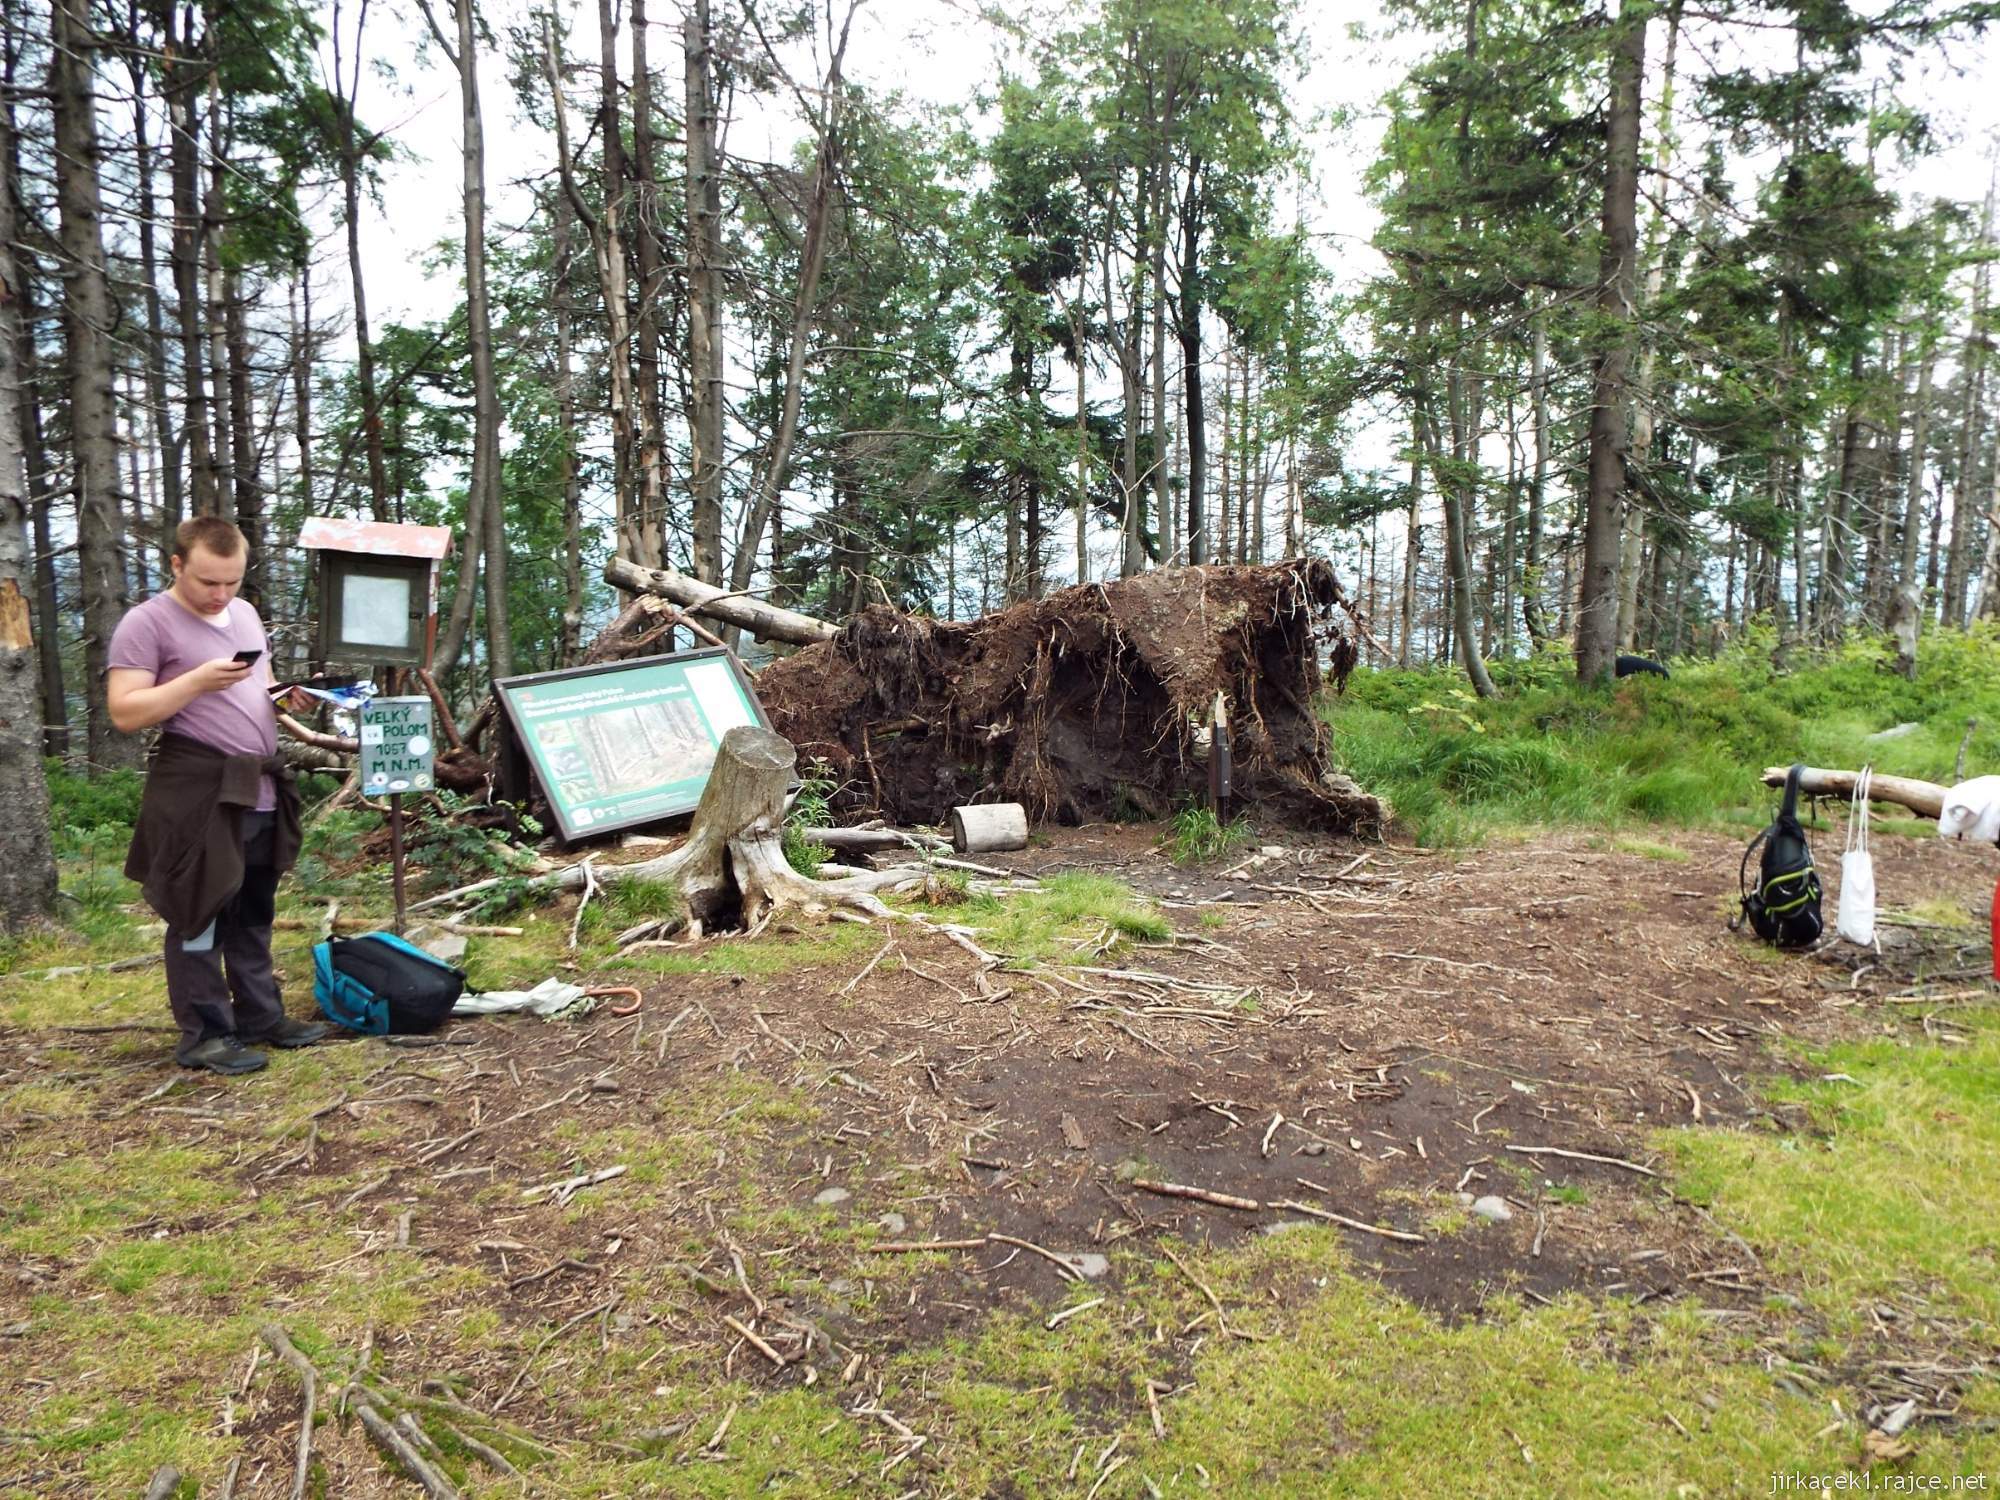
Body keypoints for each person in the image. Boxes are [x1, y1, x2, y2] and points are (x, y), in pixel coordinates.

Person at [108, 517, 328, 1075]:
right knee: (198, 907)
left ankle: (260, 1017)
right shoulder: (147, 623)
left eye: (232, 581)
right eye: (208, 581)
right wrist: (194, 683)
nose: (221, 594)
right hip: (196, 787)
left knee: (253, 907)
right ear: (177, 565)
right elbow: (125, 711)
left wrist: (286, 699)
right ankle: (204, 1034)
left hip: (257, 784)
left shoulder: (247, 614)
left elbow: (260, 688)